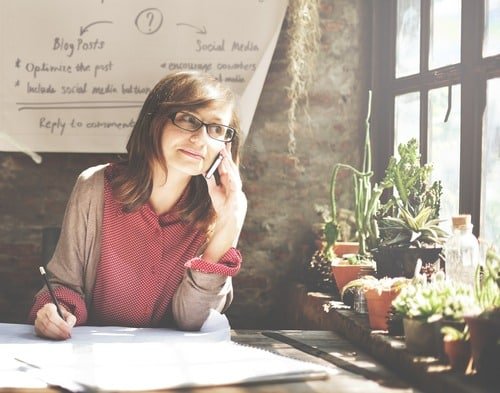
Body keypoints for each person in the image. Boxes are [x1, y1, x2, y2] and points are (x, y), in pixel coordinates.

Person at [28, 71, 247, 340]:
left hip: (169, 369)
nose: (201, 139)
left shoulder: (217, 211)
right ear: (155, 120)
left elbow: (194, 320)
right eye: (189, 119)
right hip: (88, 359)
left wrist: (230, 223)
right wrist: (55, 310)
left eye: (216, 129)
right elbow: (64, 286)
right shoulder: (95, 187)